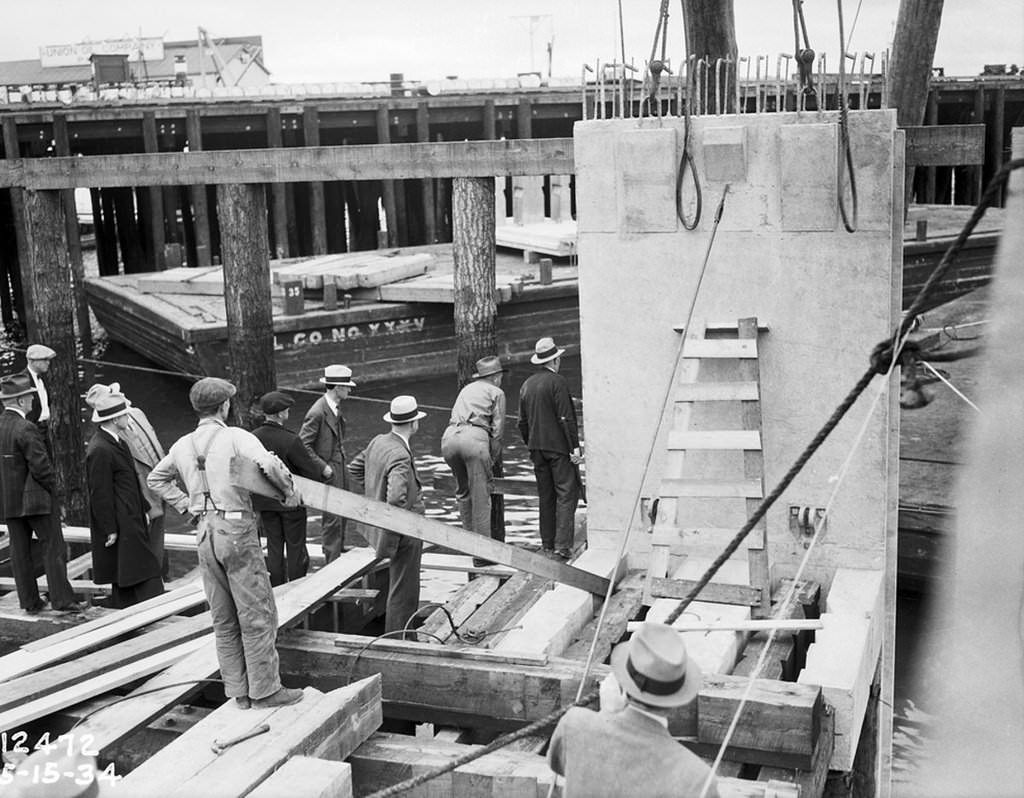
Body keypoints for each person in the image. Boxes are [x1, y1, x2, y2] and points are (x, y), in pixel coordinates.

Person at [148, 377, 303, 710]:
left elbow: (156, 478)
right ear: (224, 406)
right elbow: (268, 464)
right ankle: (265, 691)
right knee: (257, 612)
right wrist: (288, 491)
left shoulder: (182, 445)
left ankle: (239, 692)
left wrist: (186, 506)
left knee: (223, 616)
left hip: (204, 533)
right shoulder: (235, 437)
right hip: (236, 531)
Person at [548, 621, 720, 798]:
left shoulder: (574, 724)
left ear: (622, 681)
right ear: (678, 701)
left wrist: (607, 717)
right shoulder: (697, 780)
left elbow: (563, 765)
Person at [0, 373, 81, 614]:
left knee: (19, 551)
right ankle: (62, 601)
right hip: (36, 501)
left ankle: (30, 602)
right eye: (30, 397)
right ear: (22, 400)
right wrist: (56, 493)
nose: (33, 401)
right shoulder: (26, 428)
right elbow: (41, 467)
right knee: (52, 547)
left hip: (9, 501)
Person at [348, 395, 425, 637]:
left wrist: (374, 496)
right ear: (414, 424)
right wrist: (397, 511)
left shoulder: (378, 442)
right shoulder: (401, 455)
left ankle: (393, 631)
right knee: (405, 589)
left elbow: (355, 468)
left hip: (379, 528)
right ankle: (400, 638)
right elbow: (395, 499)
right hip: (404, 530)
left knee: (395, 583)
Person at [85, 388, 164, 608]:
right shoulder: (99, 449)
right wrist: (109, 528)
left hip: (132, 512)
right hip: (122, 517)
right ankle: (153, 608)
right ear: (116, 418)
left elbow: (131, 480)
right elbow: (99, 493)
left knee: (128, 567)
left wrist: (146, 508)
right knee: (139, 566)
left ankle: (127, 608)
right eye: (125, 415)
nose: (129, 418)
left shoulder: (118, 442)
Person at [517, 336, 583, 559]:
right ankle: (563, 546)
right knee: (566, 492)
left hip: (536, 448)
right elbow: (566, 417)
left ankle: (547, 544)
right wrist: (575, 447)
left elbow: (522, 423)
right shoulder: (558, 382)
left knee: (546, 495)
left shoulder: (527, 385)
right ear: (555, 361)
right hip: (557, 447)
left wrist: (531, 443)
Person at [252, 390, 323, 586]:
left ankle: (276, 587)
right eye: (287, 410)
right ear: (281, 414)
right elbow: (311, 473)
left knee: (274, 547)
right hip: (290, 503)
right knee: (295, 547)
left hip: (265, 503)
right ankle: (297, 585)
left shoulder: (252, 438)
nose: (288, 413)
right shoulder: (290, 439)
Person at [440, 355, 507, 556]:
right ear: (496, 376)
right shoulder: (497, 392)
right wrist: (492, 458)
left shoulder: (466, 389)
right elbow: (497, 432)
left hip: (449, 438)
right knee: (481, 497)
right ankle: (483, 555)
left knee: (463, 492)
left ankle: (467, 546)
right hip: (474, 440)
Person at [300, 364, 356, 561]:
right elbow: (303, 445)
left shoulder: (334, 408)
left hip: (340, 465)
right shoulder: (317, 412)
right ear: (337, 388)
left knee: (344, 510)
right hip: (330, 467)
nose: (350, 389)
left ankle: (339, 549)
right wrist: (323, 468)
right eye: (347, 386)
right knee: (332, 517)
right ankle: (332, 560)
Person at [19, 344, 56, 441]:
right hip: (31, 430)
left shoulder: (43, 378)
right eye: (44, 360)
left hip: (46, 429)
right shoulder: (22, 381)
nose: (48, 363)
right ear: (31, 361)